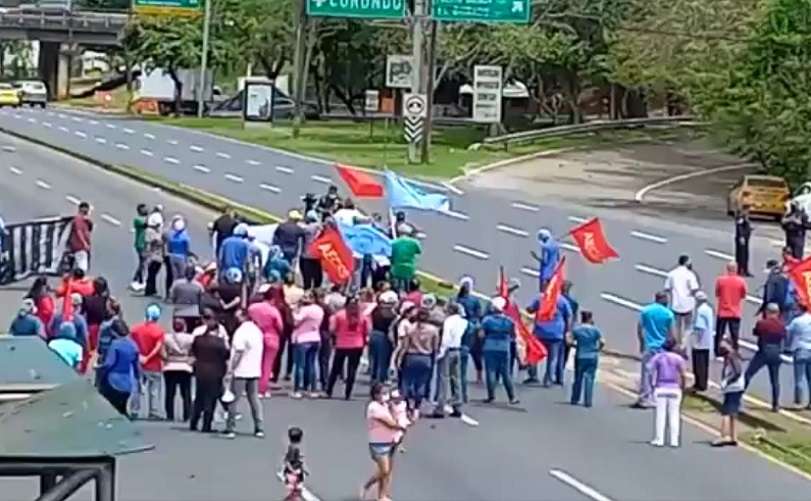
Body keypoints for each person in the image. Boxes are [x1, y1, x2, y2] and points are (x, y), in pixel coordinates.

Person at [225, 308, 265, 439]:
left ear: (242, 317)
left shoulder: (241, 332)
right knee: (254, 399)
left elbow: (239, 352)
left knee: (233, 399)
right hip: (254, 369)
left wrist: (231, 369)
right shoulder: (257, 331)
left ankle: (230, 427)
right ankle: (259, 427)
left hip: (241, 371)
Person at [395, 297, 439, 413]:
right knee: (422, 382)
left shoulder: (411, 328)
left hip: (411, 356)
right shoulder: (433, 330)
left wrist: (399, 358)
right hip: (426, 357)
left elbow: (405, 346)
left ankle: (407, 403)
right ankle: (417, 405)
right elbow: (435, 347)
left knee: (407, 380)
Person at [362, 383, 404, 501]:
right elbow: (390, 423)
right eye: (383, 393)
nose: (386, 396)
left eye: (387, 393)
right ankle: (367, 485)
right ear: (376, 395)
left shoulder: (386, 405)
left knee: (388, 472)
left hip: (390, 442)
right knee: (384, 470)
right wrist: (401, 426)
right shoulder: (373, 407)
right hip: (378, 443)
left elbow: (397, 415)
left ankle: (382, 496)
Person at [190, 309, 230, 433]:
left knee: (199, 397)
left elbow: (194, 352)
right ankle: (206, 425)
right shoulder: (219, 343)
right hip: (215, 372)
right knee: (210, 399)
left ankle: (194, 422)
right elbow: (226, 355)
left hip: (200, 371)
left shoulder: (198, 339)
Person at [635, 291, 675, 408]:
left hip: (649, 346)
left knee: (646, 373)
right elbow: (671, 333)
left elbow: (640, 328)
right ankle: (656, 397)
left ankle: (645, 397)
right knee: (660, 373)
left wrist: (642, 343)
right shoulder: (668, 314)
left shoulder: (646, 311)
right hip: (662, 347)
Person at [745, 302, 786, 412]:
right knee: (775, 380)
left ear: (767, 312)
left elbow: (756, 332)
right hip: (776, 352)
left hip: (763, 351)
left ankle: (738, 396)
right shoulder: (781, 325)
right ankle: (775, 404)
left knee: (748, 374)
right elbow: (783, 337)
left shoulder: (762, 323)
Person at [327, 297, 370, 400]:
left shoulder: (339, 315)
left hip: (342, 344)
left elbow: (332, 329)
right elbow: (367, 331)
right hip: (357, 344)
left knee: (336, 368)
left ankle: (329, 390)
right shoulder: (362, 317)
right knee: (352, 369)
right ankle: (348, 392)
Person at [526, 292, 572, 386]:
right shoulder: (562, 300)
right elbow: (569, 316)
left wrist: (529, 309)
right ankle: (548, 379)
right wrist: (567, 331)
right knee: (552, 358)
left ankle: (533, 375)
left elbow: (530, 310)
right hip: (556, 333)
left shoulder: (540, 298)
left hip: (540, 331)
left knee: (533, 352)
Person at [649, 337, 687, 448]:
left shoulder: (658, 357)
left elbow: (650, 371)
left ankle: (659, 439)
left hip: (661, 387)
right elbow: (683, 374)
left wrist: (652, 384)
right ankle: (674, 440)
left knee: (660, 415)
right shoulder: (678, 359)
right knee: (674, 415)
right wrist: (683, 387)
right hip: (674, 388)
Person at [480, 297, 519, 404]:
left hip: (489, 346)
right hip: (504, 347)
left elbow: (481, 335)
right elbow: (514, 335)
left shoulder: (487, 320)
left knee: (490, 371)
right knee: (506, 373)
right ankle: (512, 397)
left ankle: (491, 396)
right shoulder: (509, 321)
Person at [130, 304, 166, 420]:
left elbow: (132, 344)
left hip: (138, 363)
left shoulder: (136, 329)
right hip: (154, 365)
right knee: (154, 389)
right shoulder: (159, 331)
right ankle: (153, 411)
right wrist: (148, 357)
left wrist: (140, 356)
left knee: (137, 388)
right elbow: (158, 348)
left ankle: (134, 410)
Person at [98, 319, 139, 416]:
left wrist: (100, 369)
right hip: (127, 382)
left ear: (113, 331)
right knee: (122, 408)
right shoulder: (133, 345)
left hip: (113, 380)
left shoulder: (115, 344)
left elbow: (109, 363)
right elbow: (136, 366)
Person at [433, 302, 467, 418]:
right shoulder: (463, 322)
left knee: (443, 379)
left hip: (448, 350)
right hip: (457, 349)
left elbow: (446, 338)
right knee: (455, 378)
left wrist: (441, 352)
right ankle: (457, 405)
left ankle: (440, 407)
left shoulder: (449, 322)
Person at [248, 286, 284, 398]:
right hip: (271, 337)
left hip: (255, 335)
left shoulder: (253, 308)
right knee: (267, 365)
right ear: (273, 298)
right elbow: (280, 326)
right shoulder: (273, 311)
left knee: (254, 363)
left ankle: (250, 388)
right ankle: (262, 390)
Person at [291, 291, 324, 399]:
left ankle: (297, 390)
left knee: (300, 365)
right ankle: (313, 389)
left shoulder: (305, 310)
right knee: (312, 364)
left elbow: (296, 321)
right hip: (315, 337)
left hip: (303, 338)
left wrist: (294, 311)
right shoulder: (319, 310)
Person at [568, 310, 604, 407]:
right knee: (590, 378)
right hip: (592, 356)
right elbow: (602, 342)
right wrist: (598, 349)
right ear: (590, 319)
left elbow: (569, 341)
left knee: (578, 378)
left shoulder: (577, 330)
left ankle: (575, 398)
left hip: (580, 355)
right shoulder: (595, 330)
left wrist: (575, 346)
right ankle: (588, 401)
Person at [162, 318, 194, 422]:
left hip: (170, 366)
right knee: (186, 393)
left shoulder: (166, 338)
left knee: (170, 393)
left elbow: (161, 352)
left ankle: (170, 414)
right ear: (184, 326)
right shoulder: (190, 338)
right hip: (185, 366)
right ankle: (187, 414)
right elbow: (194, 352)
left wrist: (166, 359)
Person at [456, 277, 483, 401]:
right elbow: (479, 315)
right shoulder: (475, 300)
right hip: (472, 329)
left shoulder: (456, 299)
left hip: (459, 329)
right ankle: (479, 375)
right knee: (476, 353)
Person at [714, 341, 744, 446]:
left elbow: (737, 372)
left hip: (733, 387)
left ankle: (723, 436)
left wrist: (727, 382)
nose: (721, 346)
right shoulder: (731, 355)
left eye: (723, 344)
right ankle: (733, 436)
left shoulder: (731, 356)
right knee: (733, 412)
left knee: (726, 412)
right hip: (736, 387)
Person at [664, 254, 699, 342]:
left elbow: (667, 288)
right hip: (688, 305)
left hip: (675, 304)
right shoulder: (690, 274)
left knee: (676, 326)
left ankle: (677, 343)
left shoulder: (672, 274)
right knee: (688, 327)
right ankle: (684, 343)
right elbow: (694, 288)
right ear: (686, 263)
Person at [715, 262, 747, 352]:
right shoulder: (741, 281)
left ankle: (717, 350)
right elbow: (743, 295)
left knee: (720, 333)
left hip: (722, 311)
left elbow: (717, 293)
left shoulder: (720, 280)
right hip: (735, 311)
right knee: (735, 334)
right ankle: (735, 349)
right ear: (736, 269)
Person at [80, 277, 109, 374]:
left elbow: (82, 312)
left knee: (89, 349)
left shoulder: (87, 299)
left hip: (91, 326)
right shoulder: (106, 300)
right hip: (102, 326)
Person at [369, 291, 398, 383]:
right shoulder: (389, 313)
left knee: (374, 358)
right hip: (383, 336)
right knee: (383, 359)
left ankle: (374, 377)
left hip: (374, 334)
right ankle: (381, 378)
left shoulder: (375, 310)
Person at [788, 304, 811, 408]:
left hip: (801, 349)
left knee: (799, 378)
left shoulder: (797, 321)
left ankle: (798, 402)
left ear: (800, 309)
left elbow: (788, 331)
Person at [390, 227, 422, 292]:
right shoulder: (414, 242)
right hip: (409, 267)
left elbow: (390, 253)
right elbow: (419, 251)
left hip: (397, 267)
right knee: (408, 285)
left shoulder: (394, 242)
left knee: (396, 285)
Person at [298, 211, 323, 290]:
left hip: (306, 255)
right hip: (317, 256)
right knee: (317, 276)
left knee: (307, 277)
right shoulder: (320, 228)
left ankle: (307, 291)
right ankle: (316, 291)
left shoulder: (306, 228)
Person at [166, 215, 192, 289]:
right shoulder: (185, 237)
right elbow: (187, 249)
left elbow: (169, 248)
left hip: (172, 257)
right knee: (182, 276)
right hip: (182, 257)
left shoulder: (171, 236)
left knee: (175, 277)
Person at [282, 427, 308, 499]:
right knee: (295, 490)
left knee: (295, 490)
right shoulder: (294, 448)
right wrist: (292, 470)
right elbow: (288, 461)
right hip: (294, 473)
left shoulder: (291, 447)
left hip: (294, 472)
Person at [67, 201, 93, 272]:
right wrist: (84, 243)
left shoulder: (85, 221)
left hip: (81, 247)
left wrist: (88, 220)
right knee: (82, 268)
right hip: (79, 247)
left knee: (79, 266)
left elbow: (90, 229)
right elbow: (79, 232)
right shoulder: (78, 219)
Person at [131, 203, 149, 291]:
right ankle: (141, 280)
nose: (146, 210)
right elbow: (146, 225)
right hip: (140, 244)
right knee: (143, 263)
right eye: (144, 209)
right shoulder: (137, 220)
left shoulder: (145, 218)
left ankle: (136, 278)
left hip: (145, 243)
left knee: (143, 262)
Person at [734, 206, 753, 276]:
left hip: (746, 238)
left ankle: (745, 270)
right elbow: (739, 227)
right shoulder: (741, 217)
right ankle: (739, 270)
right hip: (742, 239)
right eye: (747, 210)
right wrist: (741, 236)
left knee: (746, 255)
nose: (748, 212)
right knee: (741, 255)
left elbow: (745, 226)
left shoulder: (745, 217)